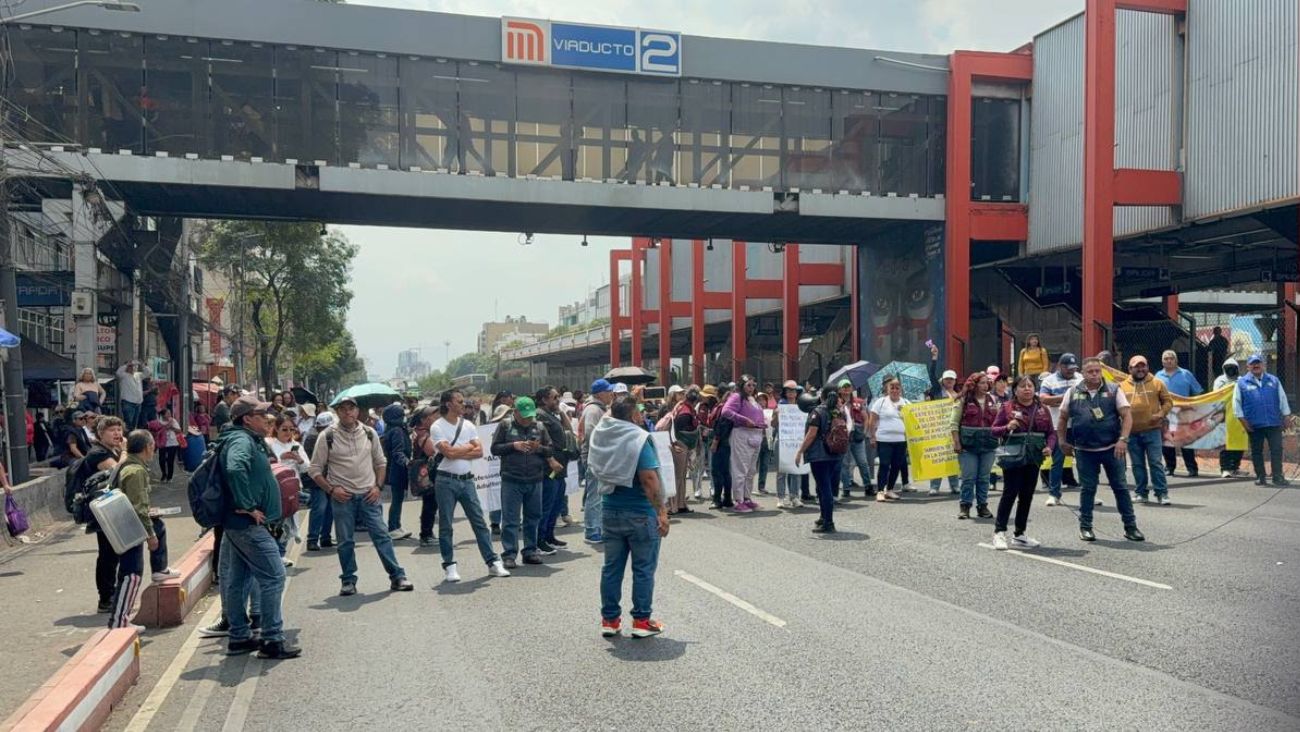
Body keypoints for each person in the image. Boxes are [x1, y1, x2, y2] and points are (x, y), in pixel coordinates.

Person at [216, 394, 300, 659]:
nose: (267, 419)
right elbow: (235, 468)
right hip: (247, 524)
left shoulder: (246, 439)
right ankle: (272, 639)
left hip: (241, 524)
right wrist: (247, 505)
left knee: (238, 579)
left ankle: (240, 636)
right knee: (274, 576)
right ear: (247, 419)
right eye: (261, 415)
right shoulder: (241, 440)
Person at [308, 396, 413, 596]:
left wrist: (377, 487)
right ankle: (348, 580)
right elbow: (314, 470)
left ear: (357, 411)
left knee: (382, 536)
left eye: (351, 408)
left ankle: (397, 576)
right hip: (342, 498)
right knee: (345, 541)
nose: (348, 412)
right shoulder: (327, 436)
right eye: (343, 409)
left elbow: (380, 463)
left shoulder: (369, 433)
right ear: (337, 412)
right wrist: (332, 490)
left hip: (369, 495)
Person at [591, 395, 668, 638]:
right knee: (643, 569)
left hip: (609, 509)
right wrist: (662, 512)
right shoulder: (637, 437)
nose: (643, 415)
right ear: (634, 415)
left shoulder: (602, 434)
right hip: (639, 512)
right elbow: (649, 479)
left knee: (611, 569)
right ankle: (642, 621)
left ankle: (610, 620)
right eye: (640, 411)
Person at [1057, 357, 1144, 543]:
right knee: (1088, 489)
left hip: (1112, 449)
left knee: (1120, 488)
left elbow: (1127, 416)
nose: (1095, 374)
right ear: (1083, 373)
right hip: (1084, 450)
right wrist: (1062, 441)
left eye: (1097, 371)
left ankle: (1131, 527)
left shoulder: (1114, 389)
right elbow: (1063, 418)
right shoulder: (1072, 392)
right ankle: (1086, 527)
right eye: (1090, 371)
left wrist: (1123, 440)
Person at [432, 389, 510, 582]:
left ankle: (492, 562)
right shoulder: (437, 426)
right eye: (459, 401)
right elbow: (448, 453)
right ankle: (449, 565)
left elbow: (479, 451)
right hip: (445, 480)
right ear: (448, 404)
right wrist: (467, 447)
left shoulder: (467, 425)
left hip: (467, 480)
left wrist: (458, 450)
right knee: (446, 525)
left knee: (479, 522)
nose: (463, 404)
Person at [105, 430, 176, 628]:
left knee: (131, 572)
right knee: (131, 574)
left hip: (125, 524)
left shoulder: (129, 466)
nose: (154, 449)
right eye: (153, 446)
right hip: (129, 527)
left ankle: (121, 619)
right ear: (147, 447)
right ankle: (119, 621)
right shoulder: (136, 471)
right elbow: (139, 508)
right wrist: (150, 535)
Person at [989, 376, 1056, 550]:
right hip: (1013, 457)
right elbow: (994, 430)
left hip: (1034, 458)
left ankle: (1019, 534)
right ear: (1015, 390)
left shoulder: (1042, 409)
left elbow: (1051, 433)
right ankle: (999, 532)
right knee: (1010, 492)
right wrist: (1006, 427)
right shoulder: (1006, 407)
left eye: (1030, 386)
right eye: (1022, 386)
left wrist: (1049, 447)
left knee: (1027, 495)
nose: (1027, 389)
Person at [491, 396, 554, 568]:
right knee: (511, 519)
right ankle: (509, 554)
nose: (528, 419)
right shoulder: (505, 425)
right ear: (516, 412)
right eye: (524, 416)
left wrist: (538, 448)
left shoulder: (539, 427)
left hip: (535, 479)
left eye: (530, 415)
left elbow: (550, 450)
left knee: (533, 517)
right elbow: (494, 448)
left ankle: (530, 552)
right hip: (512, 479)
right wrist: (514, 446)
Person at [1119, 355, 1173, 505]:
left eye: (1143, 366)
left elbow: (1168, 402)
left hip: (1152, 430)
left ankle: (1162, 494)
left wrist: (1161, 414)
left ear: (1148, 367)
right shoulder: (1122, 386)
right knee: (1137, 464)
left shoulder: (1157, 383)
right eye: (1137, 367)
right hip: (1131, 432)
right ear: (1130, 369)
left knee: (1155, 462)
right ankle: (1141, 493)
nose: (1140, 369)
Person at [1234, 354, 1292, 486]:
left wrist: (1286, 416)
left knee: (1277, 450)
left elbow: (1282, 399)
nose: (1256, 365)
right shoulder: (1241, 383)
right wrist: (1243, 421)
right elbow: (1236, 404)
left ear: (1263, 365)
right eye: (1253, 363)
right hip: (1254, 424)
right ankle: (1261, 476)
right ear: (1248, 366)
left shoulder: (1274, 380)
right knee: (1256, 451)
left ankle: (1277, 476)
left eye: (1258, 363)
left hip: (1273, 422)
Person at [951, 371, 999, 520]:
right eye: (982, 383)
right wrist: (956, 442)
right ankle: (965, 506)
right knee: (968, 477)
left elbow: (999, 422)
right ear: (974, 385)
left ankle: (982, 506)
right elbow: (953, 424)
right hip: (968, 446)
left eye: (987, 383)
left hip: (988, 445)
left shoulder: (993, 399)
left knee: (984, 478)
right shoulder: (963, 400)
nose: (986, 386)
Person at [796, 386, 842, 533]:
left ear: (822, 396)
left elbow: (811, 434)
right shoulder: (838, 411)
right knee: (823, 487)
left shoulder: (817, 412)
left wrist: (800, 451)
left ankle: (828, 522)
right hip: (835, 453)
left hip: (819, 455)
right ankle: (823, 517)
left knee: (824, 488)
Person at [1038, 353, 1082, 505]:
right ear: (1060, 366)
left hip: (1078, 425)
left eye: (1073, 368)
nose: (1071, 370)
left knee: (1084, 461)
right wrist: (1067, 397)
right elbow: (1043, 398)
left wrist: (1056, 400)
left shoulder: (1080, 378)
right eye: (1068, 368)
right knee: (1058, 461)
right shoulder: (1049, 380)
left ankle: (1089, 493)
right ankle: (1054, 494)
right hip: (1058, 426)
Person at [535, 387, 576, 548]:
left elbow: (569, 430)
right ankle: (540, 539)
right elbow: (542, 442)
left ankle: (549, 536)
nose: (558, 400)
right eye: (555, 397)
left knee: (556, 504)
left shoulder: (552, 415)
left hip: (560, 467)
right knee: (547, 505)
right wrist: (550, 460)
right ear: (544, 400)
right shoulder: (540, 415)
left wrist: (562, 412)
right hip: (549, 467)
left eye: (558, 397)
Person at [1154, 349, 1203, 477]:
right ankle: (1170, 467)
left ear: (1176, 360)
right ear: (1162, 361)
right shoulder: (1157, 376)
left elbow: (1198, 392)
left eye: (1171, 358)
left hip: (1184, 413)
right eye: (1166, 359)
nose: (1169, 361)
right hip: (1166, 413)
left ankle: (1192, 468)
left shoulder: (1186, 374)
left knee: (1186, 441)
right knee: (1167, 441)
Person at [721, 376, 766, 513]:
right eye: (748, 385)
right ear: (742, 385)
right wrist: (743, 419)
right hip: (742, 433)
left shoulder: (753, 399)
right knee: (740, 469)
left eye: (753, 385)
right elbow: (725, 411)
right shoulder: (736, 397)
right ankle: (738, 500)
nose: (751, 388)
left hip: (756, 434)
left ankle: (747, 498)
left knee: (751, 470)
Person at [579, 379, 616, 544]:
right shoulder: (594, 409)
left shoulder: (599, 408)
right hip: (596, 457)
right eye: (608, 391)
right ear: (600, 393)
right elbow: (590, 433)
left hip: (600, 457)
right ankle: (592, 530)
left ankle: (597, 528)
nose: (611, 394)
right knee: (594, 495)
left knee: (599, 495)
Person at [868, 377, 909, 502]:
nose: (895, 390)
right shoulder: (880, 402)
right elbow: (872, 420)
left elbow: (913, 421)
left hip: (901, 440)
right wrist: (872, 436)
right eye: (892, 388)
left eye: (897, 388)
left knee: (896, 465)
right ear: (887, 389)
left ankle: (890, 489)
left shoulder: (906, 403)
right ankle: (880, 491)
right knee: (884, 464)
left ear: (901, 389)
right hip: (884, 439)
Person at [926, 344, 959, 495]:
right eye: (947, 379)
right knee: (938, 458)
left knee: (953, 457)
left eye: (952, 379)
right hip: (938, 429)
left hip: (953, 429)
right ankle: (934, 486)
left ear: (955, 380)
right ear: (943, 380)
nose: (949, 381)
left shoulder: (958, 394)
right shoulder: (938, 391)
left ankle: (954, 485)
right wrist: (934, 358)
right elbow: (931, 375)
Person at [379, 403, 414, 541]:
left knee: (398, 499)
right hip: (397, 469)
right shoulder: (397, 431)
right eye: (401, 415)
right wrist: (407, 462)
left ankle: (397, 526)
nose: (404, 417)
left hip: (394, 468)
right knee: (397, 500)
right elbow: (397, 452)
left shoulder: (392, 429)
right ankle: (393, 527)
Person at [408, 407, 440, 547]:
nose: (437, 419)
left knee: (430, 504)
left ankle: (427, 533)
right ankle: (426, 535)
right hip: (427, 475)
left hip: (426, 474)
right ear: (424, 420)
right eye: (434, 417)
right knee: (430, 504)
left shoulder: (420, 432)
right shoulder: (424, 436)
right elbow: (432, 452)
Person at [302, 411, 335, 551]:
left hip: (330, 477)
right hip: (317, 479)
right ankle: (312, 539)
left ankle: (325, 537)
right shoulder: (313, 438)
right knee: (320, 507)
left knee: (330, 508)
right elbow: (315, 462)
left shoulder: (329, 436)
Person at [666, 387, 701, 514]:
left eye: (683, 393)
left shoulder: (682, 408)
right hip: (677, 444)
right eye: (679, 393)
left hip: (680, 444)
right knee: (676, 476)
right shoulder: (678, 409)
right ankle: (673, 506)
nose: (682, 395)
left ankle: (680, 504)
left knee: (681, 476)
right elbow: (674, 429)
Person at [837, 380, 874, 499]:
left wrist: (864, 432)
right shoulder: (837, 403)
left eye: (848, 386)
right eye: (844, 387)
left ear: (852, 388)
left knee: (863, 462)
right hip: (843, 437)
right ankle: (846, 488)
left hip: (857, 436)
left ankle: (868, 487)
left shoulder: (859, 402)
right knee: (844, 464)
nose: (846, 389)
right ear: (839, 390)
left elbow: (866, 418)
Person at [773, 381, 806, 509]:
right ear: (785, 392)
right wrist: (776, 415)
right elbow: (773, 424)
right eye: (789, 390)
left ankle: (794, 497)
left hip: (796, 442)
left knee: (795, 469)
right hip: (782, 441)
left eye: (794, 390)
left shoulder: (801, 406)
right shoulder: (780, 405)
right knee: (781, 470)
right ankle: (781, 497)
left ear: (797, 393)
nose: (791, 393)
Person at [1213, 359, 1246, 479]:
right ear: (1224, 369)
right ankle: (1225, 468)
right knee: (1226, 443)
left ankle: (1235, 467)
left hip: (1239, 416)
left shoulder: (1242, 380)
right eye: (1228, 367)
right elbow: (1216, 396)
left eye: (1233, 367)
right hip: (1225, 415)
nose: (1231, 369)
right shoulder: (1220, 381)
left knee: (1240, 442)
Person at [707, 383, 735, 509]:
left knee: (717, 471)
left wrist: (715, 441)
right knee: (725, 471)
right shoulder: (729, 406)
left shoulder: (723, 407)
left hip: (721, 441)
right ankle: (727, 498)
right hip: (726, 441)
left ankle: (717, 499)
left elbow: (721, 425)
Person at [146, 408, 184, 482]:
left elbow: (179, 430)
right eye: (167, 413)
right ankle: (164, 474)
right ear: (163, 415)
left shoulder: (173, 421)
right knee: (162, 459)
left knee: (170, 460)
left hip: (172, 443)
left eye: (170, 413)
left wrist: (171, 427)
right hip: (162, 443)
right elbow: (152, 430)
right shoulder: (158, 422)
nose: (169, 415)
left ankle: (169, 477)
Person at [116, 361, 143, 429]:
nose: (133, 368)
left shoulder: (138, 375)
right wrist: (127, 364)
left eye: (134, 366)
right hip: (128, 403)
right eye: (131, 366)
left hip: (138, 403)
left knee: (134, 424)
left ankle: (132, 434)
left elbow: (147, 373)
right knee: (128, 424)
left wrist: (141, 364)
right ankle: (128, 435)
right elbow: (118, 372)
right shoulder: (123, 375)